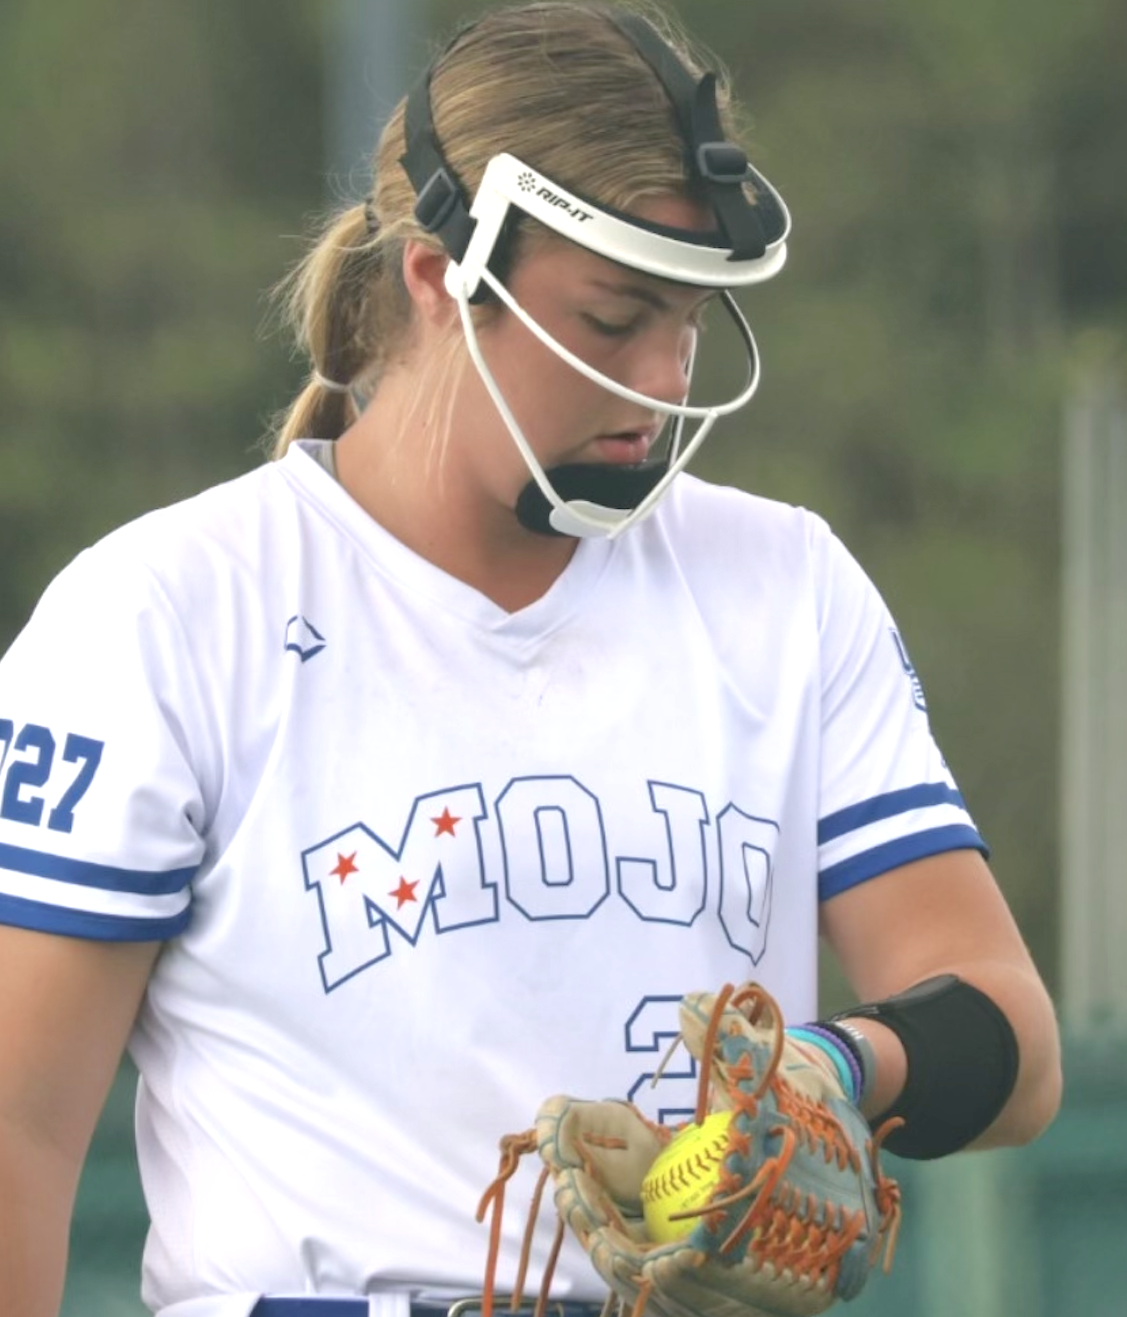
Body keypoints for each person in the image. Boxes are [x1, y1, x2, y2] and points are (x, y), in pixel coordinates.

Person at [0, 3, 1062, 1316]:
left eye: (690, 318)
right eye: (613, 317)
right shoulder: (168, 612)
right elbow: (19, 1133)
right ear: (435, 277)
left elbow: (1016, 1049)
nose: (664, 377)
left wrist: (842, 1067)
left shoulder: (784, 584)